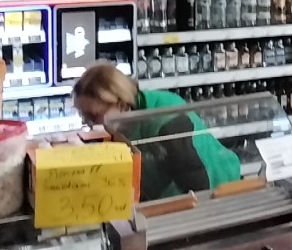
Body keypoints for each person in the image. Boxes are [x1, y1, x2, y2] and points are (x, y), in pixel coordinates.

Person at [72, 63, 241, 200]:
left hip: (218, 189)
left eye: (93, 115)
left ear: (121, 104)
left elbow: (196, 182)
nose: (88, 122)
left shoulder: (164, 120)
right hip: (177, 190)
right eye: (83, 115)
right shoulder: (125, 116)